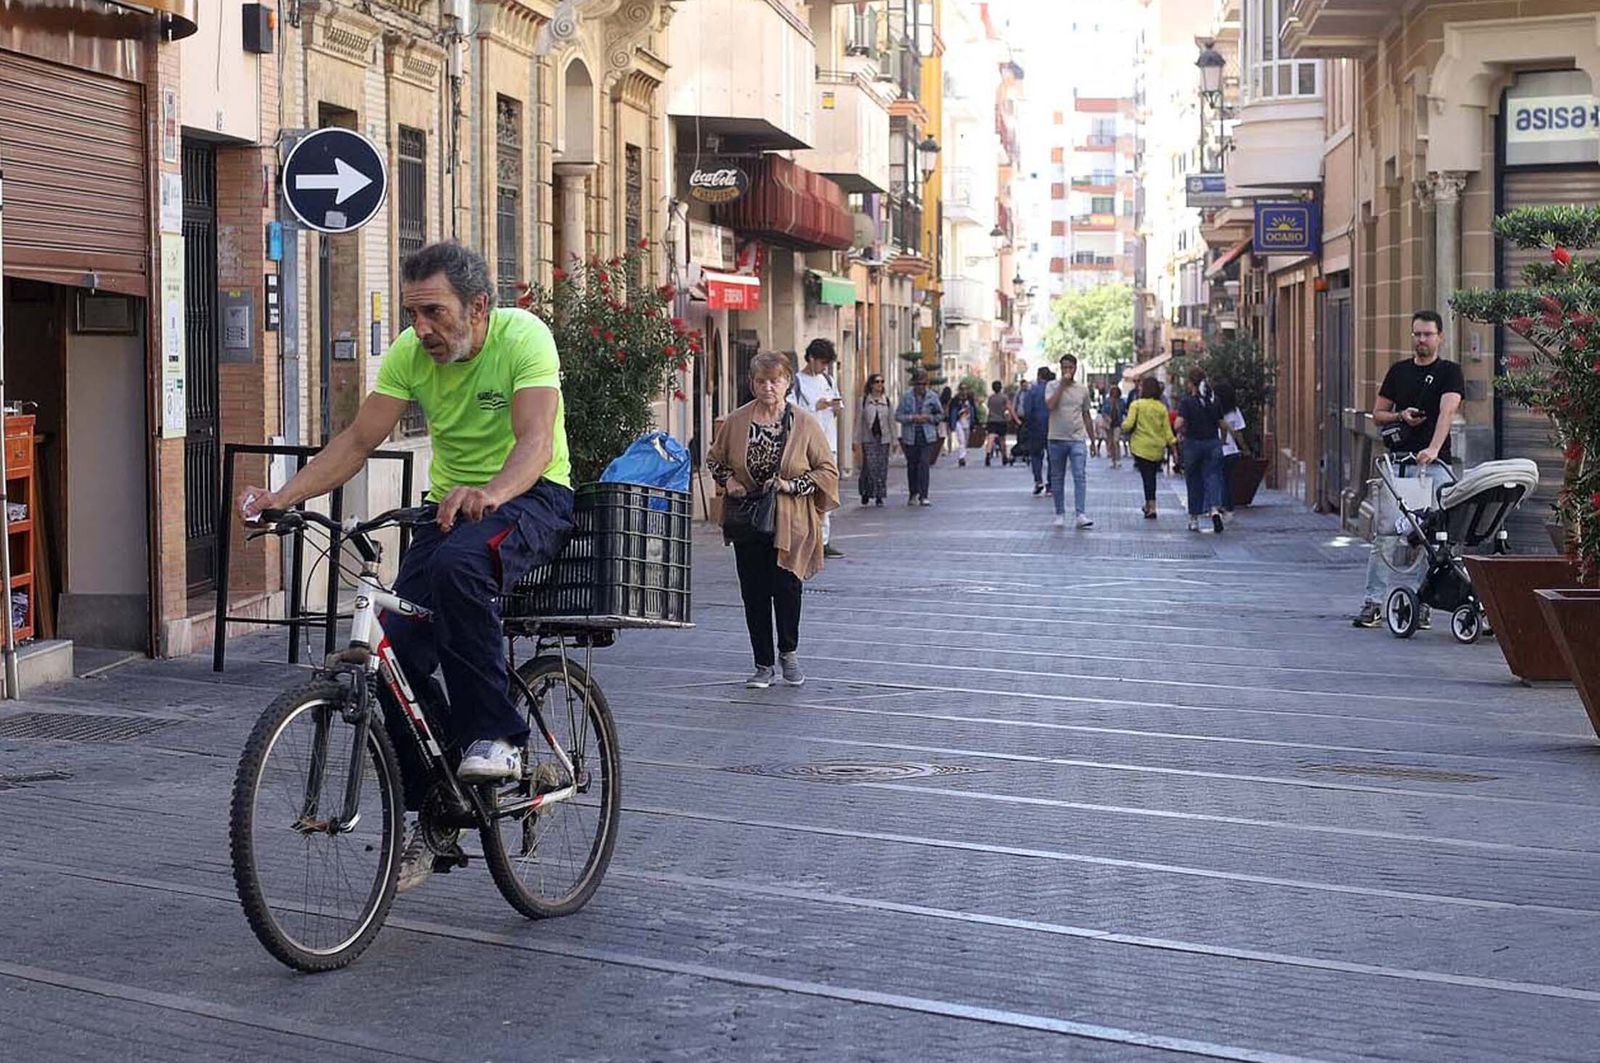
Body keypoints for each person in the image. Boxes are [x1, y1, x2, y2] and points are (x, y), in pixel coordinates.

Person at [238, 241, 576, 892]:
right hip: (447, 512)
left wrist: (494, 491)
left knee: (460, 569)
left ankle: (499, 735)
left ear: (478, 308)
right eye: (413, 312)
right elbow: (358, 441)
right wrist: (284, 496)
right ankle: (440, 805)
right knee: (388, 651)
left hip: (532, 498)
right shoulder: (408, 355)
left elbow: (536, 438)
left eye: (435, 312)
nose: (421, 328)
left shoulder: (523, 337)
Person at [709, 351, 840, 688]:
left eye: (775, 380)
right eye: (761, 381)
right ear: (752, 384)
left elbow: (826, 470)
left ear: (787, 383)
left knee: (786, 587)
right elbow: (714, 460)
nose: (768, 387)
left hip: (790, 518)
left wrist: (792, 485)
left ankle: (789, 654)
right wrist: (729, 481)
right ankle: (763, 664)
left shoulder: (804, 423)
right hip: (748, 518)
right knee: (753, 592)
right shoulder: (737, 421)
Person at [1353, 309, 1464, 628]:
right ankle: (1373, 602)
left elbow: (1448, 411)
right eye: (1417, 334)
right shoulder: (1399, 371)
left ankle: (1421, 601)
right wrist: (1401, 416)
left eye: (1428, 334)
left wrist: (1432, 448)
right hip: (1398, 464)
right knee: (1385, 534)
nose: (1421, 340)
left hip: (1434, 466)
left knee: (1431, 537)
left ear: (1440, 337)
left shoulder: (1449, 372)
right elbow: (1377, 414)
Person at [791, 338, 846, 559]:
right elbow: (793, 412)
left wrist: (833, 405)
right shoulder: (797, 382)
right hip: (806, 446)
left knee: (827, 493)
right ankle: (805, 539)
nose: (824, 367)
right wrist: (816, 406)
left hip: (828, 444)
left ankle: (823, 540)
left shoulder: (828, 379)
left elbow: (838, 407)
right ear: (811, 359)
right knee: (806, 492)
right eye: (822, 362)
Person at [1044, 354, 1098, 529]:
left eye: (1070, 368)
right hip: (1056, 438)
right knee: (1057, 477)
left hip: (1077, 438)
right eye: (1064, 368)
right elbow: (1050, 405)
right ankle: (1059, 513)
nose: (1067, 371)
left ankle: (1080, 514)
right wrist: (1061, 385)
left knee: (1079, 476)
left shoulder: (1082, 389)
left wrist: (1093, 440)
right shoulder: (1051, 386)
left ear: (1075, 368)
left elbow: (1086, 415)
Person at [1175, 367, 1227, 534]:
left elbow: (1178, 424)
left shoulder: (1187, 402)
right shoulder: (1214, 401)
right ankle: (1214, 510)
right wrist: (1223, 441)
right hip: (1212, 443)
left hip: (1193, 444)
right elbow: (1222, 424)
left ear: (1191, 383)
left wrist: (1181, 432)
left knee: (1194, 480)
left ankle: (1194, 519)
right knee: (1213, 477)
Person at [1123, 376, 1178, 519]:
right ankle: (1149, 505)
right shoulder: (1161, 407)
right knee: (1151, 476)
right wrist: (1174, 446)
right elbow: (1167, 430)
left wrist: (1123, 426)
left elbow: (1128, 425)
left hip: (1141, 447)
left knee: (1147, 477)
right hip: (1157, 448)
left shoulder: (1137, 405)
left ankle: (1151, 506)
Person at [896, 370, 943, 505]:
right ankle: (913, 493)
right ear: (914, 385)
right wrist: (912, 418)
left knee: (924, 463)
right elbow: (898, 415)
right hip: (911, 436)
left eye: (923, 384)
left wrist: (929, 418)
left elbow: (940, 415)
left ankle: (924, 495)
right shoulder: (907, 397)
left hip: (927, 436)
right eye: (918, 384)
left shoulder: (933, 397)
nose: (921, 387)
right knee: (912, 465)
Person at [856, 373, 894, 506]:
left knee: (882, 468)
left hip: (883, 438)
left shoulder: (887, 401)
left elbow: (891, 422)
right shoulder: (864, 400)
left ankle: (879, 495)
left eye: (882, 382)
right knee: (870, 467)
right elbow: (859, 421)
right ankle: (866, 491)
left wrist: (894, 440)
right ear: (871, 384)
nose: (880, 384)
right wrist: (856, 440)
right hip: (869, 438)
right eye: (877, 382)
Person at [1214, 381, 1246, 520]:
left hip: (1216, 450)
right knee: (1228, 481)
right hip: (1232, 451)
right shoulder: (1235, 411)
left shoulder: (1213, 410)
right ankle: (1229, 508)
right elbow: (1239, 432)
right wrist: (1245, 448)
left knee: (1217, 479)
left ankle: (1218, 505)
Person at [1019, 367, 1053, 495]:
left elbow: (1027, 410)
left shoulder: (1032, 391)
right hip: (1052, 427)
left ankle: (1038, 481)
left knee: (1036, 455)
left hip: (1035, 427)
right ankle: (1050, 485)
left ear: (1038, 376)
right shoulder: (1052, 390)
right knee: (1052, 457)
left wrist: (1027, 423)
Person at [984, 380, 1014, 466]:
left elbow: (989, 407)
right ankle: (1004, 456)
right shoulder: (1004, 397)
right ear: (1000, 388)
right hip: (1001, 420)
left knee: (990, 437)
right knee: (1002, 439)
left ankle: (988, 454)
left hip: (991, 420)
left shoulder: (991, 398)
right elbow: (1008, 408)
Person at [947, 385, 979, 466]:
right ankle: (961, 457)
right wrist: (951, 423)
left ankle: (963, 455)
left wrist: (975, 422)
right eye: (962, 389)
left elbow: (974, 410)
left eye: (965, 389)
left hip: (968, 422)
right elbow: (951, 412)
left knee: (966, 440)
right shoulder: (955, 400)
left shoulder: (970, 399)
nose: (963, 391)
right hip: (958, 422)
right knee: (961, 440)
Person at [1101, 383, 1125, 469]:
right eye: (1113, 391)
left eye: (1116, 391)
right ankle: (1112, 459)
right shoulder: (1107, 401)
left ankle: (1118, 459)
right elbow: (1103, 411)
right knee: (1110, 442)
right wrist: (1106, 417)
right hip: (1109, 424)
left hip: (1117, 423)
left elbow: (1124, 411)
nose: (1114, 393)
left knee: (1116, 441)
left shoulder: (1121, 401)